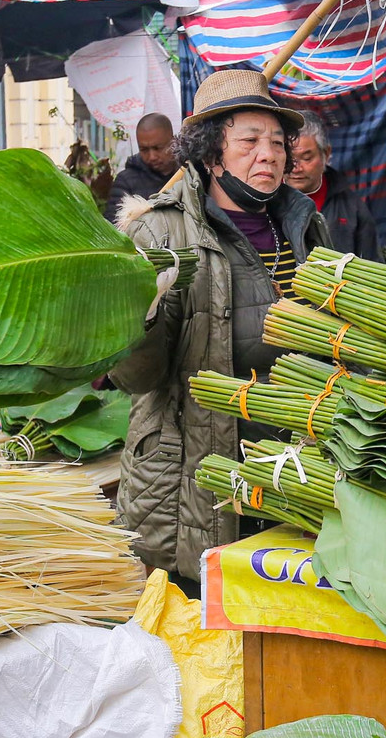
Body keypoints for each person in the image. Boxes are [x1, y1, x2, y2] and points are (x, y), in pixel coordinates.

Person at [108, 70, 331, 595]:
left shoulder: (304, 225)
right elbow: (136, 378)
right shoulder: (160, 231)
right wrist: (142, 315)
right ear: (212, 155)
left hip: (289, 474)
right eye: (249, 142)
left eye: (277, 142)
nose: (269, 155)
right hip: (193, 482)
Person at [286, 111, 381, 262]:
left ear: (326, 154)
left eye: (306, 158)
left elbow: (372, 264)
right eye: (289, 159)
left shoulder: (352, 208)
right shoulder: (268, 205)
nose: (296, 168)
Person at [104, 113, 178, 224]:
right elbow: (114, 226)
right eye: (144, 150)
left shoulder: (190, 172)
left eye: (157, 148)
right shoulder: (126, 182)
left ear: (173, 142)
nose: (152, 156)